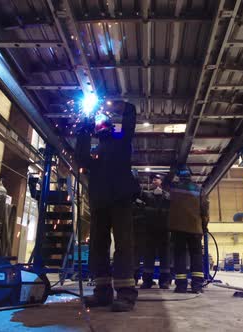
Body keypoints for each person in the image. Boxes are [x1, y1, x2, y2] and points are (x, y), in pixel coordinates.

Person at [75, 101, 140, 312]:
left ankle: (126, 294)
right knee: (97, 245)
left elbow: (130, 121)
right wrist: (84, 128)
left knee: (123, 245)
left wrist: (122, 106)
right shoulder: (96, 151)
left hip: (120, 199)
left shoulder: (121, 141)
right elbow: (80, 158)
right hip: (100, 201)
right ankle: (102, 292)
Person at [168, 166, 209, 294]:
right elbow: (204, 211)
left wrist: (172, 170)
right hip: (195, 229)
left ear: (179, 176)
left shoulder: (174, 188)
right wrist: (203, 227)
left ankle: (181, 286)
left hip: (178, 228)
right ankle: (197, 285)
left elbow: (164, 184)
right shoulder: (199, 189)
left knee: (179, 256)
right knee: (196, 256)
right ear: (190, 176)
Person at [140, 174, 171, 289]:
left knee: (165, 257)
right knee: (149, 256)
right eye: (153, 179)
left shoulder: (168, 196)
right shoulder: (147, 195)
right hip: (150, 231)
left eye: (156, 179)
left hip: (164, 231)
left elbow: (170, 211)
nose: (154, 181)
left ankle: (164, 281)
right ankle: (147, 281)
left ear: (161, 182)